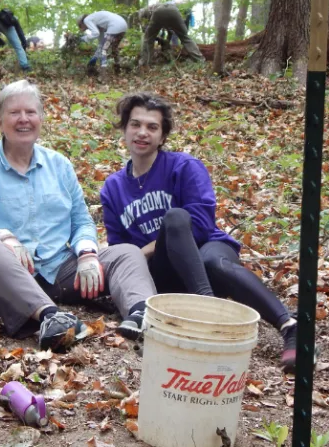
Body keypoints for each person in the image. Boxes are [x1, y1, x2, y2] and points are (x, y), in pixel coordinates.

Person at [0, 80, 156, 352]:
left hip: (54, 270)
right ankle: (50, 318)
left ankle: (141, 316)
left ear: (41, 118)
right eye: (14, 113)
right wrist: (0, 236)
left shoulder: (59, 165)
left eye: (30, 112)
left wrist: (88, 253)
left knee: (126, 252)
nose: (24, 120)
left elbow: (80, 221)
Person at [100, 92, 300, 372]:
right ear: (124, 128)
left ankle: (289, 326)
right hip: (164, 271)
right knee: (171, 227)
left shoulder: (183, 166)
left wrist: (146, 247)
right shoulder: (112, 187)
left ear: (162, 136)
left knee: (186, 230)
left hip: (207, 250)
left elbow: (201, 223)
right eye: (135, 124)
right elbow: (121, 250)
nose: (142, 133)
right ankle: (209, 308)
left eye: (152, 127)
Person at [137, 3, 203, 66]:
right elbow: (170, 31)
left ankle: (144, 62)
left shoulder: (144, 10)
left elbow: (147, 29)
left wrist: (147, 31)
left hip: (159, 12)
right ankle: (200, 59)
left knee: (148, 39)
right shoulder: (159, 6)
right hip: (174, 10)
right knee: (185, 38)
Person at [77, 11, 127, 78]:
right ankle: (118, 69)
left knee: (104, 51)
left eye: (81, 26)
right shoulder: (97, 22)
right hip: (123, 25)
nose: (85, 29)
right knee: (114, 49)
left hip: (115, 25)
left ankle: (103, 76)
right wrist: (95, 57)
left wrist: (83, 39)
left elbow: (96, 34)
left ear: (82, 23)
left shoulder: (86, 20)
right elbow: (101, 42)